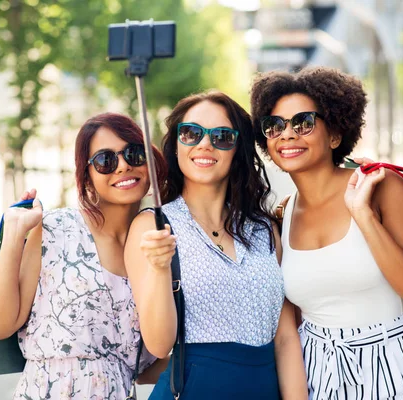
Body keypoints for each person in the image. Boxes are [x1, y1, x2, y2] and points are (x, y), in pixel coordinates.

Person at [250, 66, 403, 399]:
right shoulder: (283, 213)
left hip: (387, 363)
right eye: (275, 126)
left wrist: (363, 215)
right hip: (315, 369)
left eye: (304, 123)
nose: (287, 134)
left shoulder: (380, 187)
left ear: (336, 135)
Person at [124, 91, 308, 399]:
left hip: (264, 389)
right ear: (177, 144)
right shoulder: (153, 226)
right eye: (191, 133)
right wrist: (158, 268)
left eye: (222, 136)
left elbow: (286, 338)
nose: (205, 144)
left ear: (238, 149)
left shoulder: (264, 230)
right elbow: (158, 344)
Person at [0, 112, 167, 399]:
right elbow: (0, 325)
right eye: (105, 160)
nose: (122, 166)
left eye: (134, 154)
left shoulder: (159, 246)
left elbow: (143, 364)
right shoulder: (57, 229)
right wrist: (13, 233)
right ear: (87, 175)